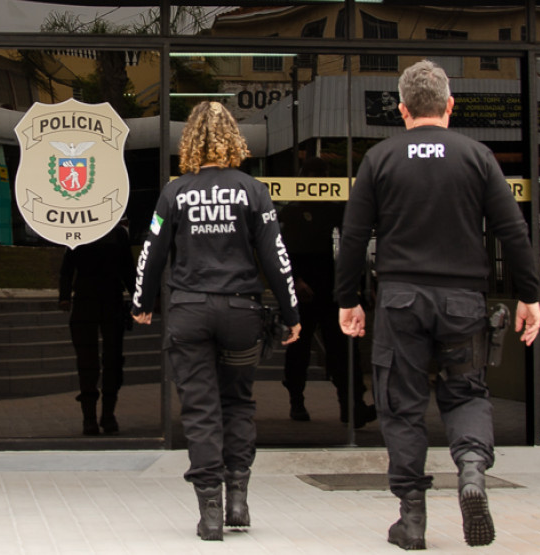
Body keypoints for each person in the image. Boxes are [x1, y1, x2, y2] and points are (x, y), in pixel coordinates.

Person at [335, 60, 540, 550]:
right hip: (464, 300)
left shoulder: (380, 158)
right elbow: (513, 231)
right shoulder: (477, 156)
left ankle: (412, 518)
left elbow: (353, 236)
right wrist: (529, 295)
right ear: (450, 105)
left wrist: (349, 300)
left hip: (401, 298)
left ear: (402, 110)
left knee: (401, 407)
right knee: (467, 394)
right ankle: (471, 469)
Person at [131, 101, 301, 542]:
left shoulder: (175, 192)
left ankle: (209, 512)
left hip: (189, 312)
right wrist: (292, 313)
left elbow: (151, 253)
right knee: (239, 402)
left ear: (190, 141)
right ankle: (238, 499)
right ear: (233, 139)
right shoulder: (254, 191)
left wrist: (141, 301)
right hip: (242, 313)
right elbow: (276, 258)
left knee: (202, 408)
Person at [279, 157, 376, 427]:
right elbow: (281, 250)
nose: (315, 179)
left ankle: (352, 406)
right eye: (310, 174)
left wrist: (358, 284)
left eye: (320, 175)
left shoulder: (336, 210)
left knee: (343, 349)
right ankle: (297, 400)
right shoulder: (291, 211)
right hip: (305, 282)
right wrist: (294, 279)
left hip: (332, 283)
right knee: (299, 346)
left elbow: (353, 245)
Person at [58, 222, 135, 436]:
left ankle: (107, 415)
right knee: (87, 361)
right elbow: (67, 268)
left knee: (112, 360)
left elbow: (129, 268)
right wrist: (64, 296)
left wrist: (141, 299)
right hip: (86, 300)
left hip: (110, 300)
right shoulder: (79, 231)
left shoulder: (118, 234)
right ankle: (90, 418)